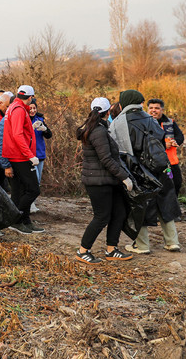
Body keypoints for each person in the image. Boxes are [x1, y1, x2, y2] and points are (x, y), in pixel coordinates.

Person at [110, 90, 182, 254]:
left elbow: (116, 149)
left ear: (125, 102)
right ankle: (172, 242)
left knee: (139, 204)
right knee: (165, 200)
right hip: (159, 166)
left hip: (138, 169)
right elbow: (161, 140)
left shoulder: (120, 121)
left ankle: (142, 245)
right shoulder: (150, 119)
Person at [74, 97, 134, 264]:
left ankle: (111, 249)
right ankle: (83, 251)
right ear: (108, 112)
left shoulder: (97, 127)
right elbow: (106, 159)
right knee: (101, 217)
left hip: (107, 179)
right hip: (97, 181)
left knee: (119, 213)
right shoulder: (98, 131)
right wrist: (124, 177)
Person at [2, 86, 44, 234]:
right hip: (20, 156)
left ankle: (25, 221)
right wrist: (30, 155)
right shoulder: (19, 110)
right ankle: (16, 219)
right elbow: (17, 134)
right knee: (33, 190)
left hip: (16, 154)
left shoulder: (14, 107)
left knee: (21, 190)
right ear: (30, 97)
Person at [147, 98, 184, 197]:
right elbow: (144, 142)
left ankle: (174, 204)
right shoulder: (145, 123)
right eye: (151, 108)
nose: (153, 110)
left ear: (162, 110)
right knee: (157, 189)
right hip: (153, 163)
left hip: (171, 161)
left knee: (177, 184)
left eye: (156, 108)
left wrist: (175, 141)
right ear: (147, 109)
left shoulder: (170, 122)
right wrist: (164, 145)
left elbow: (180, 136)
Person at [29, 99, 52, 213]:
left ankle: (32, 202)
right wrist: (31, 128)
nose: (32, 110)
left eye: (34, 108)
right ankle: (29, 203)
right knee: (33, 180)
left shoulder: (40, 119)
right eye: (30, 108)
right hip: (30, 155)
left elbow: (49, 135)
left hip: (40, 154)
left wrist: (45, 129)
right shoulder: (24, 119)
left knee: (37, 181)